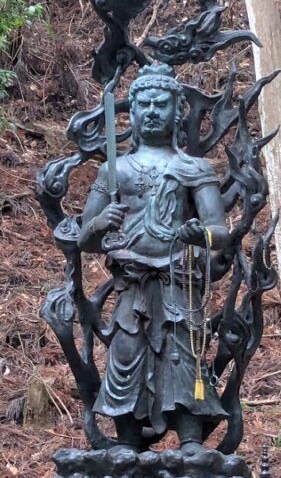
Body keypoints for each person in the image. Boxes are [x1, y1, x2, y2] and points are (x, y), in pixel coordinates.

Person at [78, 63, 229, 452]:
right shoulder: (116, 169)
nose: (152, 112)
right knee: (127, 353)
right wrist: (98, 224)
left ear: (177, 109)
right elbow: (84, 239)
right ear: (132, 112)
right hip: (133, 280)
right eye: (143, 104)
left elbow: (220, 231)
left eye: (161, 104)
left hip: (178, 278)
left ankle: (190, 436)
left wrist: (200, 234)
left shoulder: (194, 168)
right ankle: (126, 438)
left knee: (181, 354)